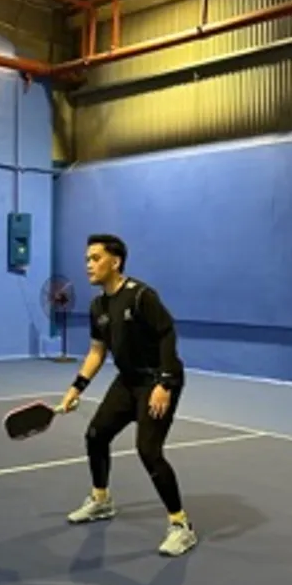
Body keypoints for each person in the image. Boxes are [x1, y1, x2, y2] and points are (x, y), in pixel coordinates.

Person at [60, 233, 197, 557]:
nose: (88, 265)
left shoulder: (141, 296)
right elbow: (97, 351)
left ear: (115, 261)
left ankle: (181, 525)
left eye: (95, 258)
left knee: (148, 450)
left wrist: (165, 383)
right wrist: (76, 388)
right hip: (128, 380)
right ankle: (101, 500)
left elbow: (167, 334)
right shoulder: (98, 306)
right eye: (87, 259)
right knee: (96, 435)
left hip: (158, 380)